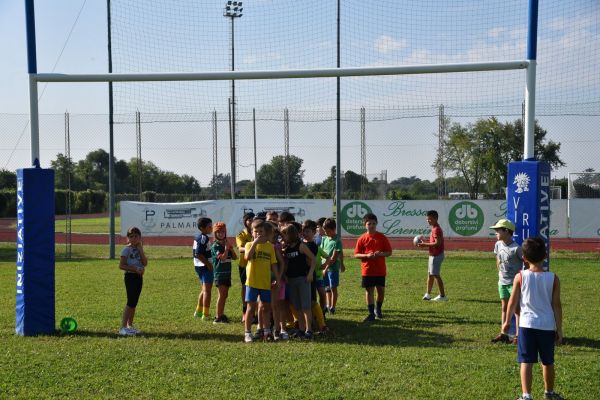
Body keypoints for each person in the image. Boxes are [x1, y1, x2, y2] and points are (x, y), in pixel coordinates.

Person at [502, 237, 563, 400]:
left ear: (524, 258)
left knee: (526, 361)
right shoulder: (553, 278)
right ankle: (549, 392)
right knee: (548, 362)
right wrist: (560, 330)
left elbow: (512, 302)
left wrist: (507, 322)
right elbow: (557, 306)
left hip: (526, 325)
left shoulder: (520, 276)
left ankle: (526, 395)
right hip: (547, 326)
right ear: (545, 256)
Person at [243, 219, 281, 343]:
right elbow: (247, 257)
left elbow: (274, 264)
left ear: (265, 232)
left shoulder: (270, 246)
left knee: (266, 307)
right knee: (250, 308)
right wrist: (255, 243)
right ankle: (247, 332)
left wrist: (277, 278)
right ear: (252, 232)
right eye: (256, 231)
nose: (258, 233)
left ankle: (266, 331)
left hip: (265, 282)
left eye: (261, 231)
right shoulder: (249, 245)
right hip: (252, 282)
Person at [354, 213, 392, 322]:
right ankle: (371, 314)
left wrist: (380, 254)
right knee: (369, 290)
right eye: (369, 223)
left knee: (380, 290)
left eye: (373, 223)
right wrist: (366, 255)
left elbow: (389, 252)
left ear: (376, 224)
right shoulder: (361, 238)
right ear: (364, 225)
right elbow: (356, 254)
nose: (371, 225)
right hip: (367, 270)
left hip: (380, 270)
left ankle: (378, 310)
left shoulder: (382, 237)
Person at [490, 218, 523, 344]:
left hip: (513, 284)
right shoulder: (498, 245)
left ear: (507, 231)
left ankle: (518, 336)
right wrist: (499, 271)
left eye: (498, 231)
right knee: (504, 306)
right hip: (502, 282)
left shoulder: (516, 248)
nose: (495, 233)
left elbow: (524, 262)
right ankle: (503, 333)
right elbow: (497, 258)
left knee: (517, 309)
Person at [281, 224, 315, 339]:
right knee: (298, 307)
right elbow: (286, 264)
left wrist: (310, 273)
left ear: (290, 234)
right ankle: (301, 329)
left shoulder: (301, 246)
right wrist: (285, 275)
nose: (282, 237)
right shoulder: (287, 248)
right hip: (291, 280)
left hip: (302, 279)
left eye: (284, 235)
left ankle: (309, 330)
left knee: (306, 306)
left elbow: (313, 259)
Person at [118, 227, 148, 336]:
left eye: (136, 236)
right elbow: (121, 265)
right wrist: (135, 269)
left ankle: (129, 326)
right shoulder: (126, 249)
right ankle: (122, 327)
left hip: (138, 277)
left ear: (140, 237)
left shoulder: (139, 249)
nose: (134, 238)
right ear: (128, 238)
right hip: (130, 277)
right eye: (131, 236)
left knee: (134, 303)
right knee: (130, 302)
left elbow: (144, 263)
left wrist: (141, 250)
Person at [302, 219, 330, 333]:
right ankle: (310, 323)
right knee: (305, 301)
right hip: (303, 276)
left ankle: (321, 324)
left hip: (310, 276)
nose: (304, 233)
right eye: (303, 231)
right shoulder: (303, 244)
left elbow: (309, 262)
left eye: (307, 231)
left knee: (313, 301)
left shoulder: (312, 246)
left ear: (314, 232)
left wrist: (322, 267)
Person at [417, 210, 447, 301]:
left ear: (435, 219)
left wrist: (425, 244)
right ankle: (428, 294)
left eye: (429, 219)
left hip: (436, 255)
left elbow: (438, 243)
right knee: (430, 274)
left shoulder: (436, 229)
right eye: (427, 219)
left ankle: (442, 296)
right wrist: (425, 243)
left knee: (436, 275)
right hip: (433, 255)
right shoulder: (434, 228)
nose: (428, 221)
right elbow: (434, 242)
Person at [211, 222, 237, 324]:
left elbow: (235, 257)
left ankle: (221, 314)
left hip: (227, 273)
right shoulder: (215, 246)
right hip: (220, 274)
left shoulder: (226, 244)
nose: (221, 234)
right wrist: (226, 249)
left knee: (224, 295)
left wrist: (231, 248)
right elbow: (222, 258)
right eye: (218, 232)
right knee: (221, 295)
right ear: (215, 233)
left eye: (223, 232)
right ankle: (218, 317)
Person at [320, 218, 343, 313]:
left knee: (333, 287)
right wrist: (321, 265)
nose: (326, 233)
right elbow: (321, 253)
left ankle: (333, 307)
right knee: (326, 288)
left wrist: (326, 268)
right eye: (325, 231)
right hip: (324, 267)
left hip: (332, 269)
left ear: (334, 229)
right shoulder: (324, 239)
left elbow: (333, 258)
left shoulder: (337, 241)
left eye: (328, 231)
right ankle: (327, 305)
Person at [193, 217, 213, 320]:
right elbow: (198, 254)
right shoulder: (203, 238)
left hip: (198, 266)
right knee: (207, 291)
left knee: (204, 290)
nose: (211, 228)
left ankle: (198, 312)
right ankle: (205, 314)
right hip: (204, 267)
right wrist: (208, 264)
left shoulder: (198, 237)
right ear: (202, 228)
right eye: (209, 226)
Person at [236, 212, 255, 321]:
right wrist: (253, 247)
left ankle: (255, 313)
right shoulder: (241, 234)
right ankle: (245, 311)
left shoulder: (259, 232)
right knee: (245, 287)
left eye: (253, 219)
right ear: (245, 222)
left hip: (257, 265)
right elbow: (240, 249)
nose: (251, 221)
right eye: (249, 220)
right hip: (244, 265)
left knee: (256, 288)